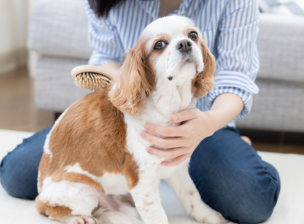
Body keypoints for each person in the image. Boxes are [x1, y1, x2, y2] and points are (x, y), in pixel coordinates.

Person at [0, 0, 280, 223]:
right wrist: (132, 85)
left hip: (206, 120)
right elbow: (104, 58)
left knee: (251, 199)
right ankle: (141, 177)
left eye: (191, 37)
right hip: (126, 116)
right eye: (161, 45)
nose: (184, 45)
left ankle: (231, 146)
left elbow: (236, 76)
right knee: (16, 174)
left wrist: (209, 123)